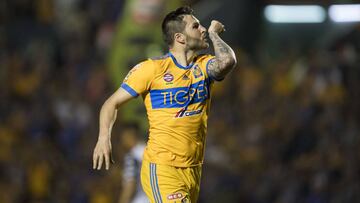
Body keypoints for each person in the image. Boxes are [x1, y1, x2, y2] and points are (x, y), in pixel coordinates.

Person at [93, 6, 237, 203]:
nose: (203, 29)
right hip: (162, 168)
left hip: (193, 170)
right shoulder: (151, 69)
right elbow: (111, 103)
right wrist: (103, 138)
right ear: (180, 38)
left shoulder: (203, 66)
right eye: (196, 26)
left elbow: (228, 60)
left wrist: (214, 34)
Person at [117, 123, 147, 203]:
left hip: (141, 199)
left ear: (128, 135)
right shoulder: (150, 151)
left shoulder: (131, 157)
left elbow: (130, 185)